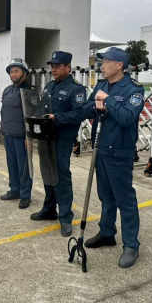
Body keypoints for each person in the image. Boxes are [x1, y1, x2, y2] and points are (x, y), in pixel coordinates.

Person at [82, 47, 144, 268]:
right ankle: (107, 232)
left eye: (106, 62)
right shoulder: (101, 85)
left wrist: (107, 101)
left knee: (125, 199)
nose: (102, 66)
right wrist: (96, 105)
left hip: (119, 150)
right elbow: (86, 109)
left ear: (119, 65)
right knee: (105, 195)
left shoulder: (134, 89)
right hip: (100, 148)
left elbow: (127, 117)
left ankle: (131, 245)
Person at [30, 51, 87, 237]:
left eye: (57, 66)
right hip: (45, 138)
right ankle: (49, 210)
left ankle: (65, 217)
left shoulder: (76, 89)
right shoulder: (49, 86)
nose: (53, 69)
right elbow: (42, 108)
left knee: (62, 178)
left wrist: (57, 118)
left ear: (68, 67)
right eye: (52, 66)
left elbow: (80, 114)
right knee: (48, 174)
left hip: (62, 140)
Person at [0, 58, 33, 209]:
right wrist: (2, 131)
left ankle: (25, 195)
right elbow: (3, 112)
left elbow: (32, 116)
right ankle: (14, 190)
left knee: (24, 168)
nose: (13, 74)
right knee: (12, 165)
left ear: (24, 73)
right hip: (8, 134)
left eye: (16, 71)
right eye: (11, 72)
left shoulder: (30, 91)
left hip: (21, 137)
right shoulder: (7, 90)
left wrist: (29, 137)